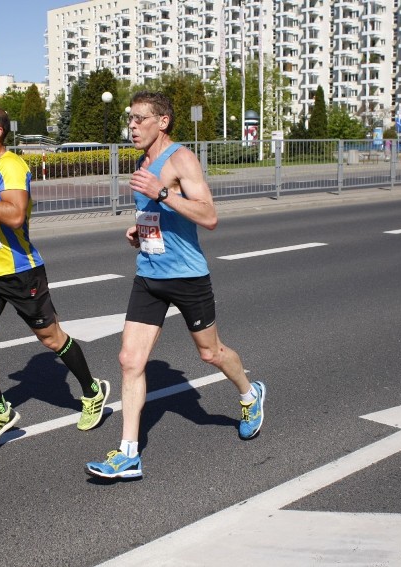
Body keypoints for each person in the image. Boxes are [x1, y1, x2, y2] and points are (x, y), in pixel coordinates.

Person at [85, 92, 265, 480]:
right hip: (149, 275)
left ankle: (250, 394)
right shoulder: (143, 159)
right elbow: (157, 211)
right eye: (129, 119)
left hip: (187, 276)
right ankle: (129, 453)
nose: (131, 126)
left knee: (211, 353)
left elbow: (210, 216)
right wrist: (141, 226)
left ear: (162, 121)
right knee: (129, 361)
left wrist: (162, 193)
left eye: (139, 119)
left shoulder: (181, 159)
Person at [0, 105, 109, 446]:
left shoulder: (11, 166)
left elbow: (16, 216)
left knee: (51, 339)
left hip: (22, 273)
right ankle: (1, 411)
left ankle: (92, 391)